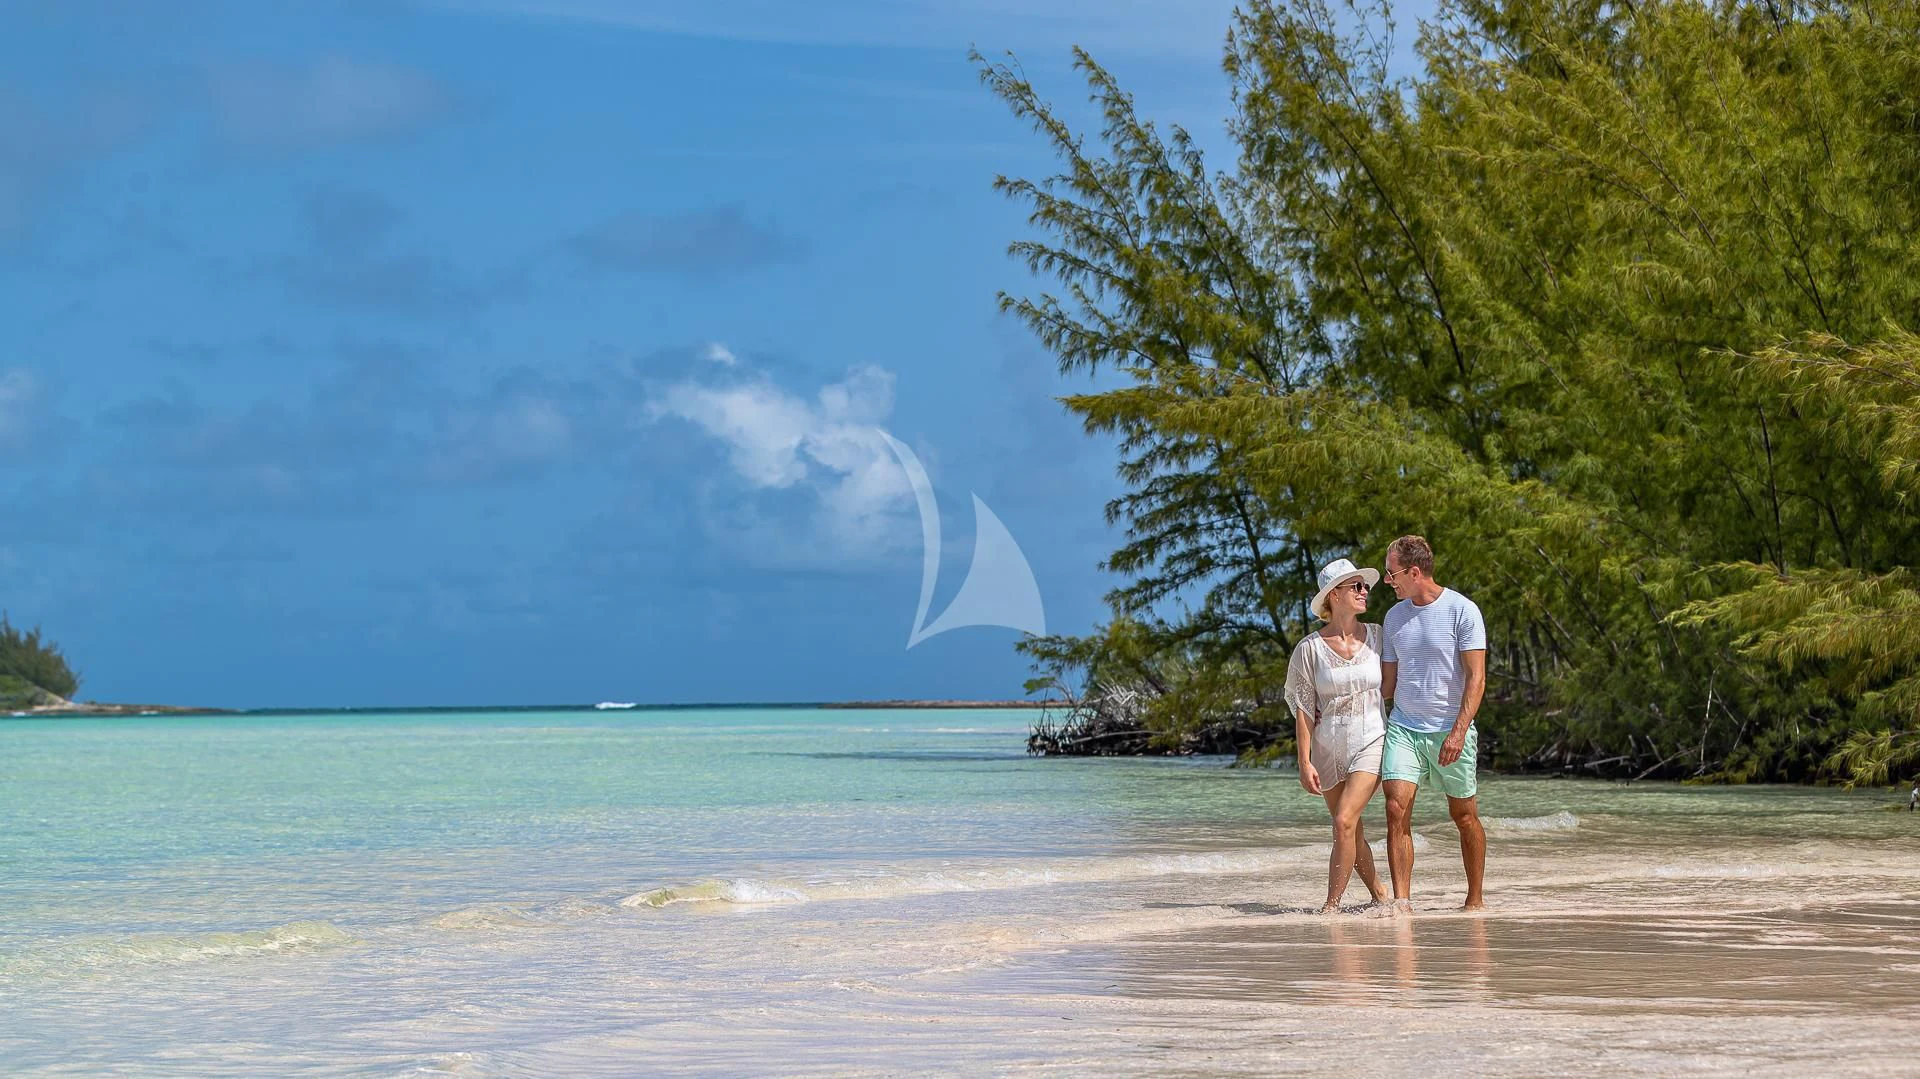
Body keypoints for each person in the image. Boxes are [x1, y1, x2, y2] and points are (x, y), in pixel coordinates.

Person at [1379, 535, 1488, 911]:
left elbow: (1476, 678)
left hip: (1450, 728)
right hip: (1404, 727)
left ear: (1414, 572)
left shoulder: (1463, 611)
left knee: (1463, 814)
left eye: (1392, 574)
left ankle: (1474, 900)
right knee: (1395, 808)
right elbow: (1386, 685)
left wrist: (1459, 731)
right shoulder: (1393, 618)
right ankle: (1402, 903)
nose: (1388, 581)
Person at [1284, 557, 1390, 912]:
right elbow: (1303, 708)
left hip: (1373, 737)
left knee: (1344, 820)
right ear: (1334, 596)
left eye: (1365, 586)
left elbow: (1400, 679)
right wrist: (1303, 761)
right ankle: (1379, 893)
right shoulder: (1308, 649)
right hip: (1327, 748)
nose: (1364, 592)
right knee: (1352, 830)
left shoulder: (1378, 635)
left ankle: (1331, 907)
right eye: (1356, 586)